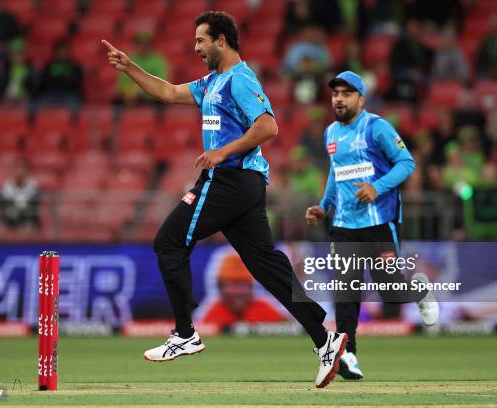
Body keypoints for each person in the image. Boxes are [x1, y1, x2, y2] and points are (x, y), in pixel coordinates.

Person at [103, 11, 347, 388]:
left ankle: (185, 333)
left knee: (168, 241)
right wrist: (130, 67)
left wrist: (223, 152)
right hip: (242, 185)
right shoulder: (212, 83)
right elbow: (167, 92)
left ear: (221, 40)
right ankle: (325, 339)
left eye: (201, 40)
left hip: (229, 179)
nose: (196, 47)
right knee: (266, 265)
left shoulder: (240, 79)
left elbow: (268, 125)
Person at [305, 71, 439, 380]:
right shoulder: (330, 133)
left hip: (380, 222)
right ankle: (348, 355)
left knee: (390, 292)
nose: (339, 98)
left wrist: (377, 188)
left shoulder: (376, 127)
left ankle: (418, 291)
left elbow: (407, 163)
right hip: (344, 224)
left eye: (346, 93)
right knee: (347, 290)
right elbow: (336, 173)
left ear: (361, 99)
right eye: (336, 93)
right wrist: (325, 206)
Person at [116, 32, 169, 105]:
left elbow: (162, 82)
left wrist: (143, 91)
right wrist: (132, 92)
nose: (142, 47)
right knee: (117, 101)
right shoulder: (129, 58)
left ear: (150, 45)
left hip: (153, 99)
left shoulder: (158, 60)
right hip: (132, 98)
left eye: (145, 44)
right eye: (139, 44)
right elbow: (123, 82)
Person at [0, 161, 41, 229]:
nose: (20, 172)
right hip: (11, 213)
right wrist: (14, 203)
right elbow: (1, 202)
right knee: (8, 214)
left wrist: (25, 203)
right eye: (17, 170)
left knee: (32, 215)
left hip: (27, 212)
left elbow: (36, 201)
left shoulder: (32, 185)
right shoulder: (7, 186)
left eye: (22, 170)